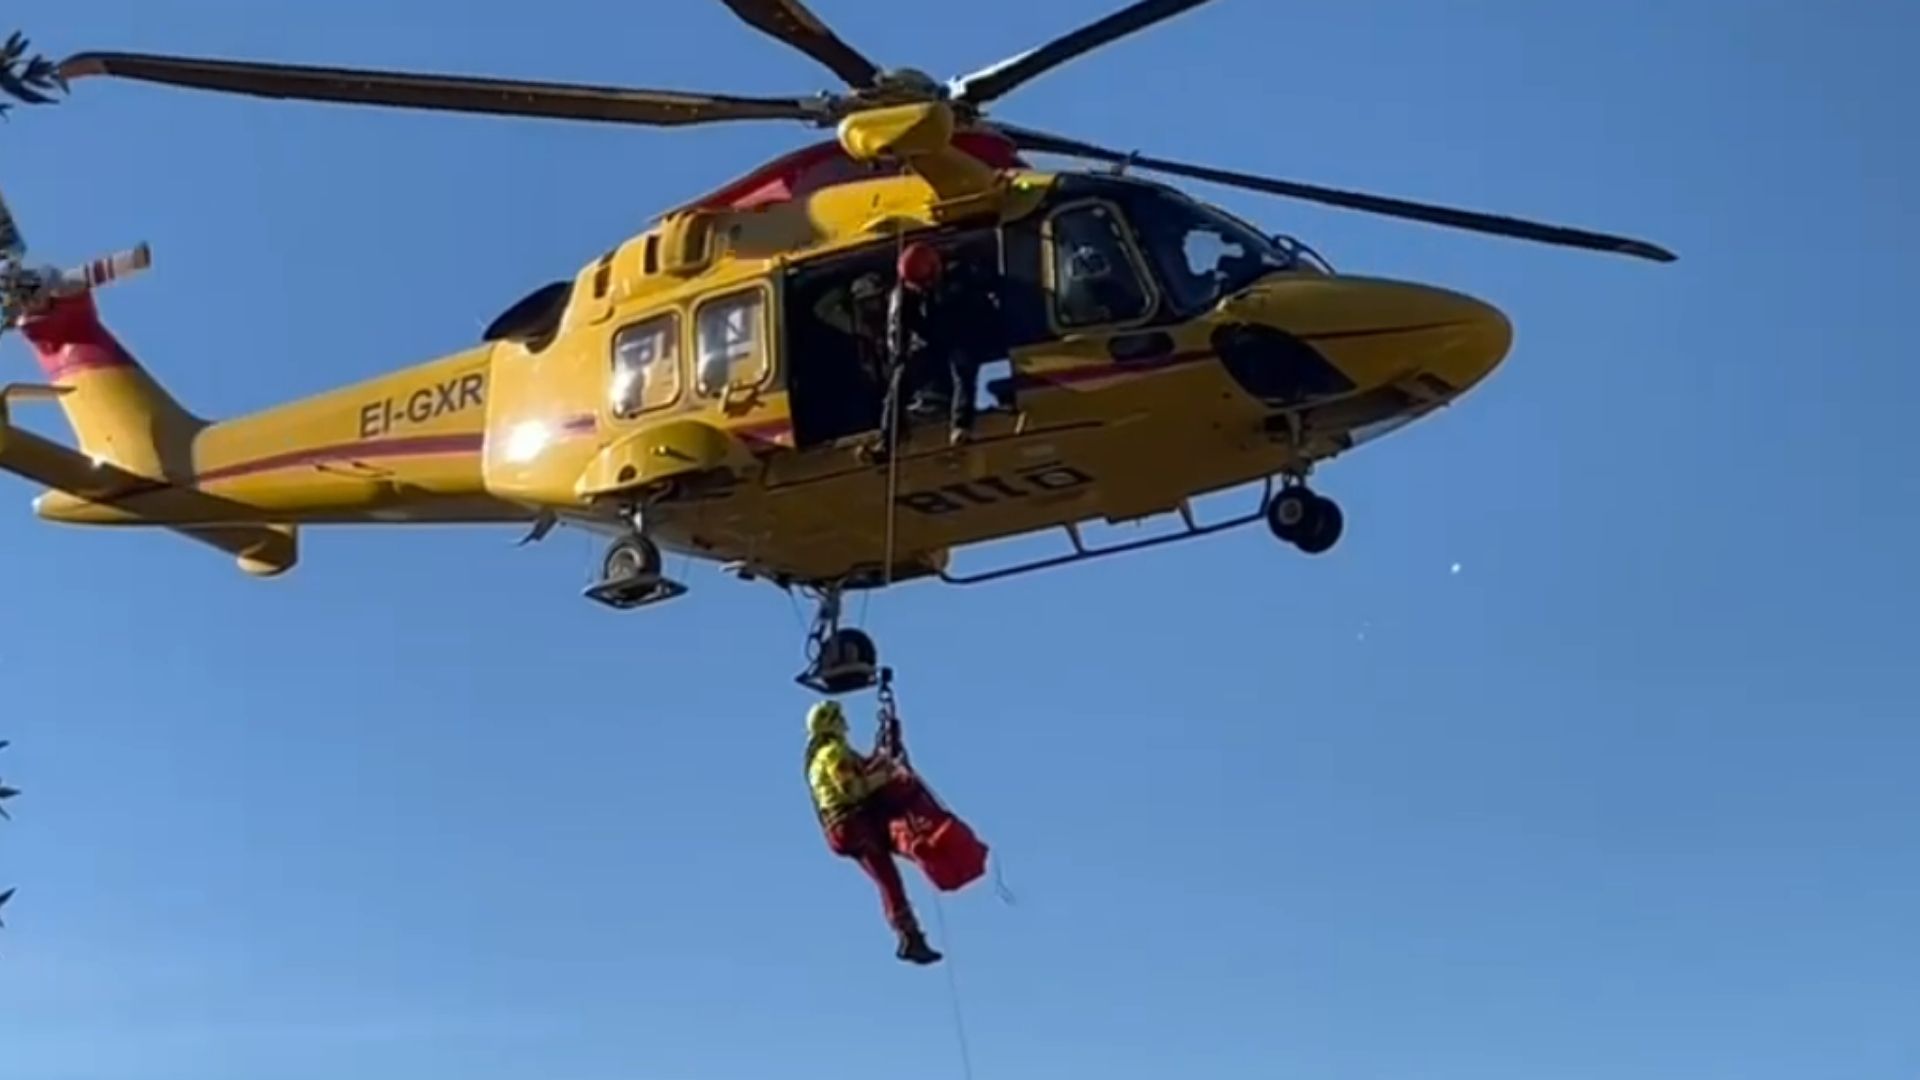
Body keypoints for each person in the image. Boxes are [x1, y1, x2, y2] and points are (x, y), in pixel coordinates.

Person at [804, 698, 944, 965]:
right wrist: (887, 777)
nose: (845, 724)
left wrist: (887, 747)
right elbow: (852, 788)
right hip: (852, 825)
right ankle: (909, 936)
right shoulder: (833, 754)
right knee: (889, 877)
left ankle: (909, 934)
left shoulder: (824, 755)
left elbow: (866, 767)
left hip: (844, 828)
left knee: (887, 876)